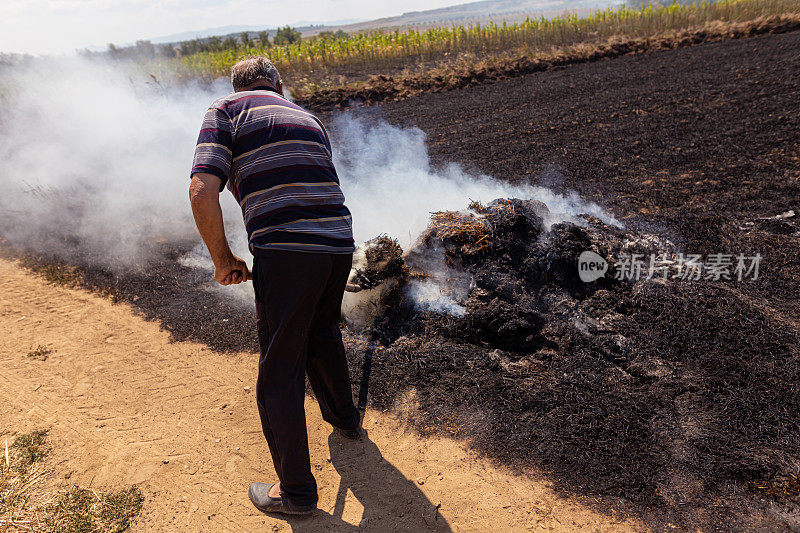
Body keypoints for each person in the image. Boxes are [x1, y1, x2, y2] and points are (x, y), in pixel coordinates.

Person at [188, 56, 362, 516]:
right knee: (323, 332)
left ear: (238, 85)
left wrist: (223, 260)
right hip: (338, 244)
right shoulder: (307, 117)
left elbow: (203, 189)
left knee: (279, 369)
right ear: (279, 86)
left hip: (287, 251)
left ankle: (298, 494)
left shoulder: (226, 109)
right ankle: (346, 422)